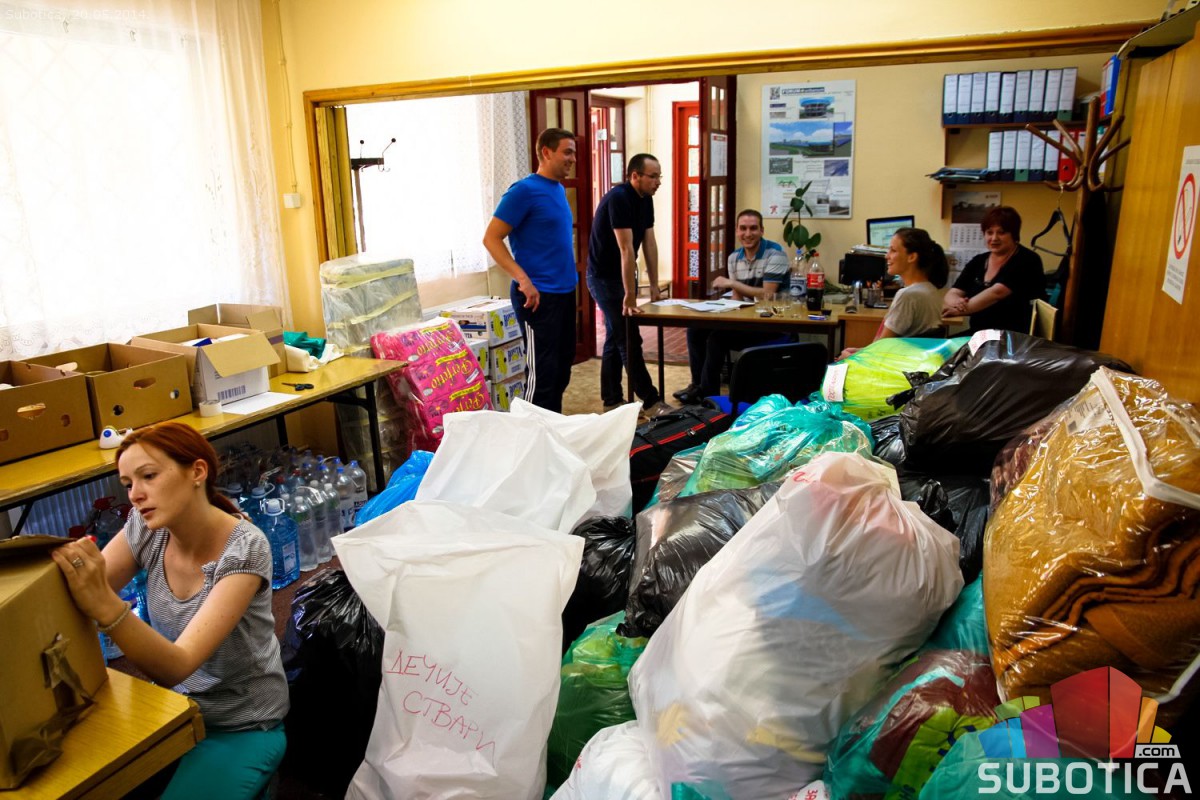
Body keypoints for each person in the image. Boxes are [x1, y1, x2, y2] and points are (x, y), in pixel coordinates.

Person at [52, 422, 288, 799]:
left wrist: (105, 606)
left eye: (148, 476)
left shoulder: (245, 548)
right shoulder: (148, 528)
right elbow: (77, 592)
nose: (135, 494)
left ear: (197, 472)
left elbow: (178, 665)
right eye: (128, 483)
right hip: (174, 707)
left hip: (240, 722)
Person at [483, 127, 578, 413]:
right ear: (546, 152)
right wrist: (523, 279)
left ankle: (551, 427)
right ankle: (530, 432)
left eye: (573, 153)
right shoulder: (523, 191)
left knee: (561, 371)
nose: (573, 159)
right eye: (567, 152)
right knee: (543, 377)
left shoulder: (558, 189)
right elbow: (491, 238)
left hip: (564, 293)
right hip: (538, 297)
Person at [674, 209, 791, 404]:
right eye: (743, 228)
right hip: (749, 322)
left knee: (717, 338)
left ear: (762, 230)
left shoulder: (775, 253)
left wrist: (731, 283)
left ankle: (708, 398)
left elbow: (768, 294)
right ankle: (697, 385)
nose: (748, 234)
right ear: (737, 231)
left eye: (753, 228)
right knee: (695, 330)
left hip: (773, 324)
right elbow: (738, 299)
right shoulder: (734, 258)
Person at [587, 153, 672, 416]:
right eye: (653, 176)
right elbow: (626, 249)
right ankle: (651, 401)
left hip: (622, 275)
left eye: (659, 176)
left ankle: (612, 400)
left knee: (615, 336)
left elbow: (649, 242)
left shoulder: (646, 200)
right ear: (635, 176)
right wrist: (630, 294)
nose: (658, 182)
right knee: (628, 337)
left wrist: (655, 284)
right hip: (603, 277)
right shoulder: (619, 198)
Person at [838, 227, 949, 359]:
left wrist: (850, 358)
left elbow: (879, 351)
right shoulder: (931, 290)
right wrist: (860, 351)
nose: (887, 256)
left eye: (893, 250)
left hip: (891, 365)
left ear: (912, 257)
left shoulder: (907, 295)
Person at [943, 205, 1045, 333]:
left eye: (1001, 232)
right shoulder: (978, 261)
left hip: (1012, 337)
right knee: (939, 345)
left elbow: (997, 293)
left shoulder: (1027, 259)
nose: (994, 238)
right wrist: (957, 302)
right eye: (989, 232)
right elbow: (953, 292)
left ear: (1014, 235)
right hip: (980, 334)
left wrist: (961, 310)